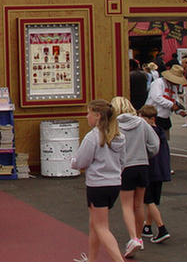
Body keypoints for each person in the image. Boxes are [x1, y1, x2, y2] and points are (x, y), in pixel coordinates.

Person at [70, 99, 125, 263]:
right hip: (114, 182)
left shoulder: (93, 136)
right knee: (95, 224)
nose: (87, 117)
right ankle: (93, 259)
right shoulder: (118, 136)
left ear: (98, 116)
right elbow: (123, 160)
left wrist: (72, 161)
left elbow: (81, 162)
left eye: (89, 113)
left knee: (101, 227)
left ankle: (119, 260)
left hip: (98, 184)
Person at [110, 96, 159, 258]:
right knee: (139, 204)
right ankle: (138, 237)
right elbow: (154, 144)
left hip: (125, 167)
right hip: (142, 165)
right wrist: (147, 154)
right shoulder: (142, 123)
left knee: (126, 205)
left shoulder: (114, 125)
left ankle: (133, 238)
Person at [138, 105, 171, 244]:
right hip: (161, 171)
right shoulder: (160, 132)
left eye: (142, 118)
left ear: (150, 119)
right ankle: (147, 226)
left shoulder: (147, 134)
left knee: (148, 201)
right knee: (152, 201)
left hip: (150, 170)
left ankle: (161, 228)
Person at [145, 64, 187, 142]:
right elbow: (157, 97)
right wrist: (171, 105)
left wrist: (179, 111)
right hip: (154, 115)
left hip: (165, 117)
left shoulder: (173, 87)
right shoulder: (158, 83)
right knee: (154, 141)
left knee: (164, 141)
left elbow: (174, 100)